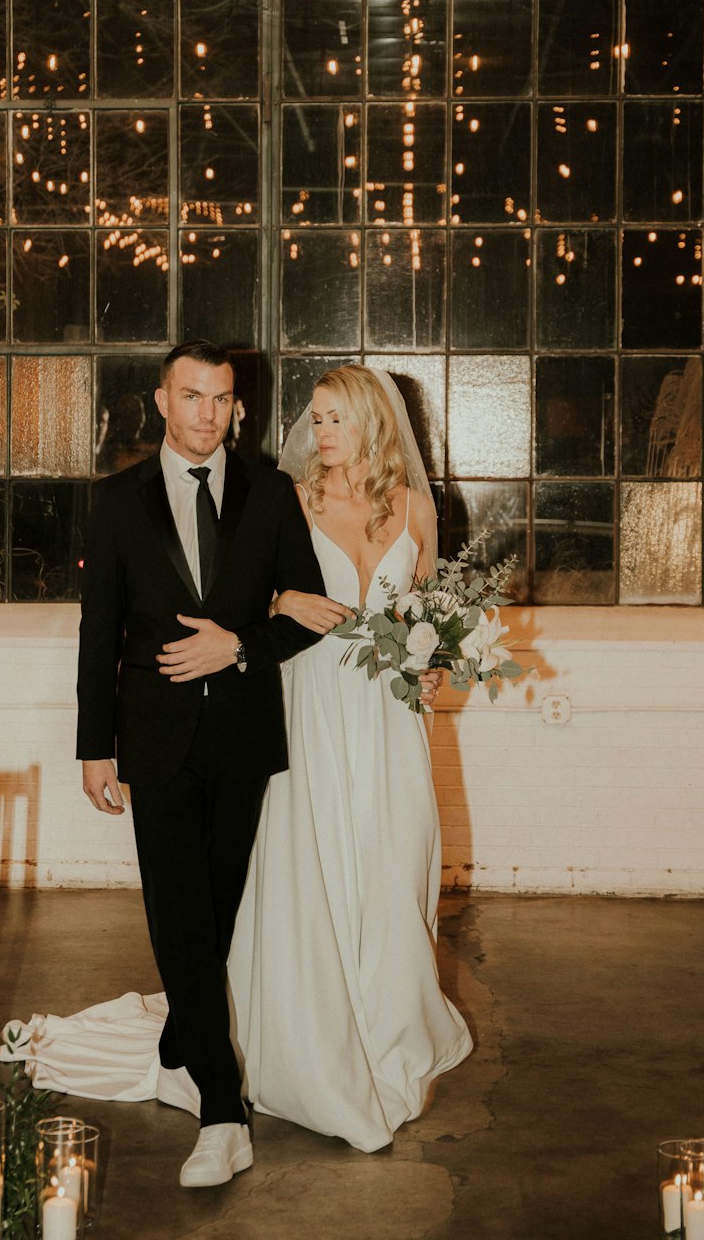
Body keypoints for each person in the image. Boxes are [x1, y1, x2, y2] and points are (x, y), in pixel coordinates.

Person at [75, 339, 325, 1188]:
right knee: (176, 911)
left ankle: (183, 1040)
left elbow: (307, 613)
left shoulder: (273, 495)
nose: (206, 414)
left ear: (236, 408)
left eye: (221, 399)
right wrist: (93, 745)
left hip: (244, 736)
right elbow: (98, 632)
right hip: (154, 738)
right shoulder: (116, 502)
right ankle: (225, 1111)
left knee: (213, 910)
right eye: (191, 396)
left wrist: (239, 648)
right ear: (161, 399)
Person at [226, 363, 474, 1152]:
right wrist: (281, 600)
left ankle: (392, 1019)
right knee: (318, 860)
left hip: (391, 714)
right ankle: (312, 1033)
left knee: (393, 860)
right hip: (312, 702)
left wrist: (437, 660)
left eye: (333, 418)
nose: (318, 432)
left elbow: (428, 612)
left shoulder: (412, 510)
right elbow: (239, 599)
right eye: (315, 418)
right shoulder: (291, 500)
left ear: (372, 423)